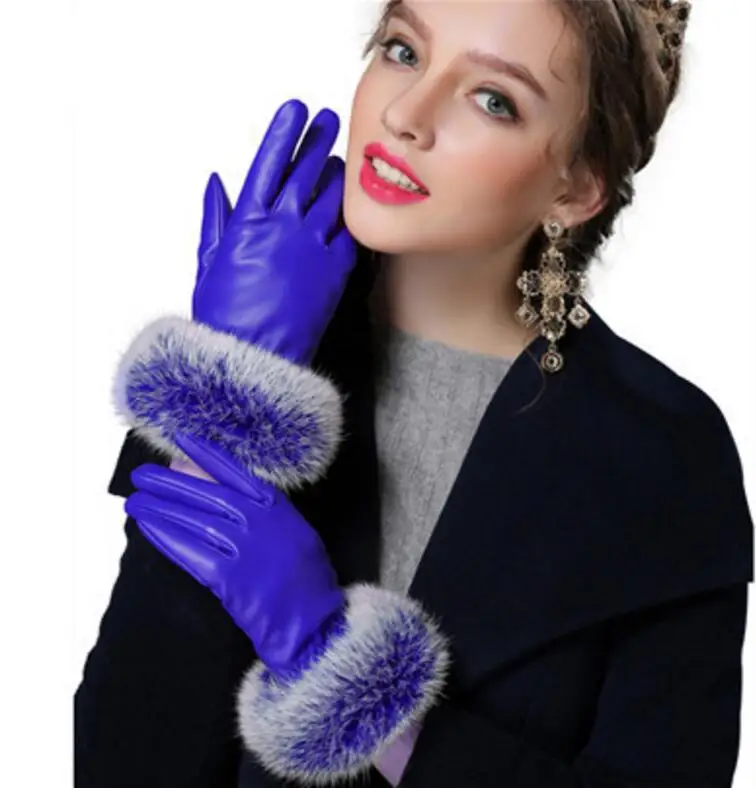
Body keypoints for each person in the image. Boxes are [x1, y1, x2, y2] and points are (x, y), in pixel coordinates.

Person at [74, 1, 754, 787]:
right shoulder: (249, 355)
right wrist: (230, 389)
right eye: (403, 50)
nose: (406, 114)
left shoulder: (664, 456)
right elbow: (118, 768)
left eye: (493, 99)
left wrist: (331, 655)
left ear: (576, 188)